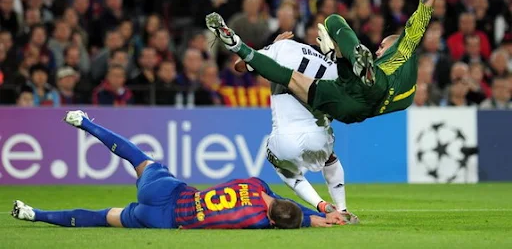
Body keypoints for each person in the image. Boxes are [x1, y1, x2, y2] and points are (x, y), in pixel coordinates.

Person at [206, 0, 459, 124]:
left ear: (394, 44)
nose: (379, 49)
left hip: (361, 94)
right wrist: (333, 52)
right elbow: (423, 13)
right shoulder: (404, 76)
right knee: (292, 78)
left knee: (332, 22)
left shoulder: (404, 48)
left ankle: (237, 44)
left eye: (382, 46)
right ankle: (239, 45)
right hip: (357, 105)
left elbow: (422, 13)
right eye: (379, 47)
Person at [12, 110, 344, 229]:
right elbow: (286, 219)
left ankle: (85, 123)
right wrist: (316, 219)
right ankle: (35, 215)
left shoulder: (256, 184)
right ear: (271, 222)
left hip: (168, 191)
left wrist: (314, 212)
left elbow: (282, 205)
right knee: (103, 217)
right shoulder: (259, 223)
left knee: (139, 159)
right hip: (162, 220)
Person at [234, 31, 358, 223]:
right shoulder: (333, 65)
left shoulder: (283, 47)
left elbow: (239, 66)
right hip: (319, 136)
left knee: (279, 164)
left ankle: (321, 205)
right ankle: (342, 209)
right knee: (330, 157)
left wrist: (271, 47)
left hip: (286, 138)